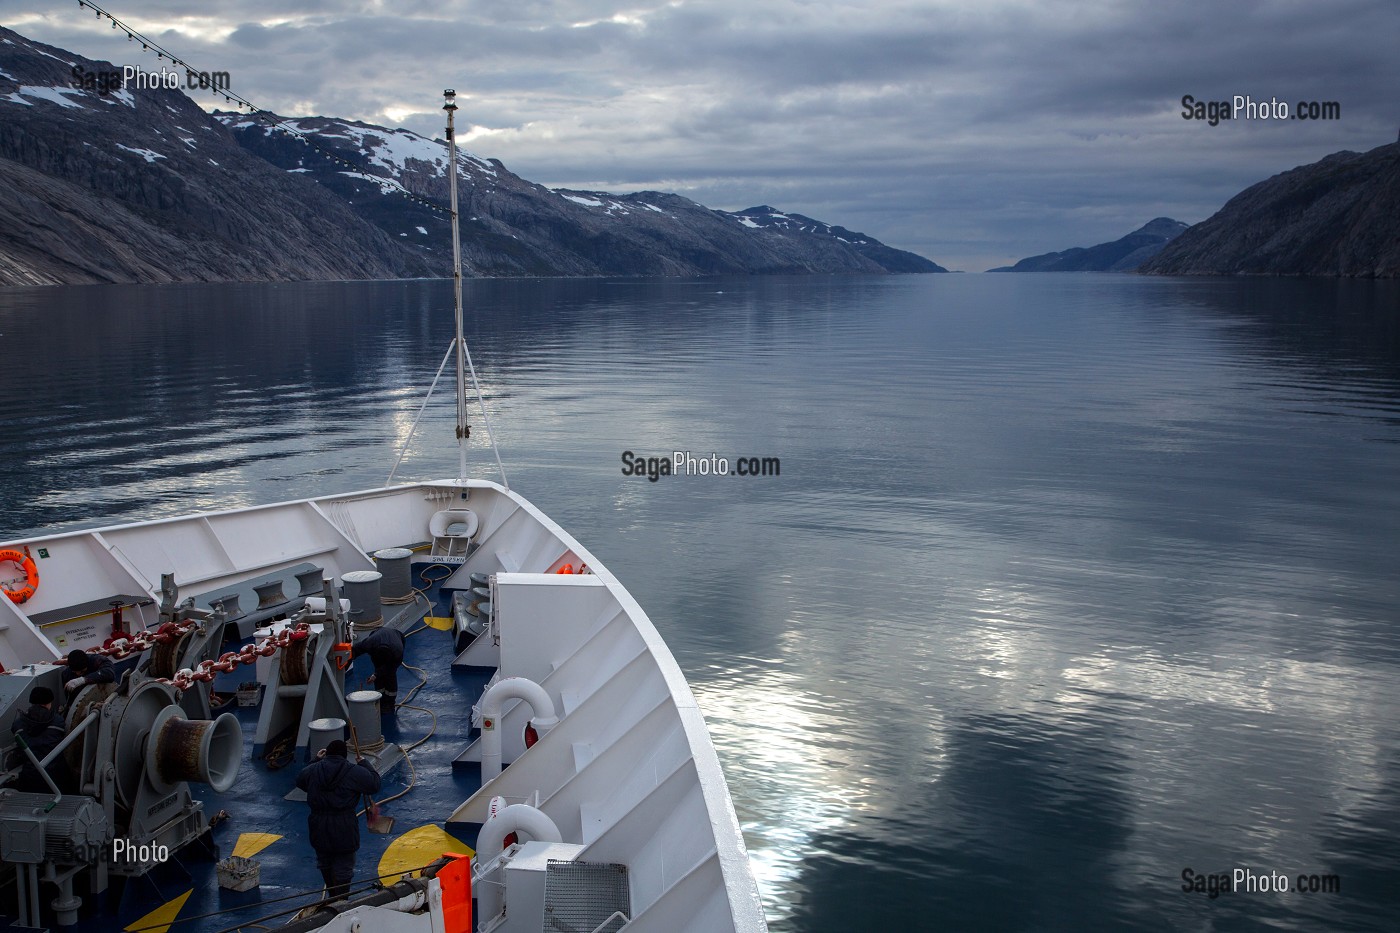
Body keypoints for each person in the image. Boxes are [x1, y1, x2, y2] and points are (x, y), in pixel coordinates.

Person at [294, 739, 381, 901]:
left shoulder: (314, 770)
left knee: (324, 861)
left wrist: (316, 760)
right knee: (344, 866)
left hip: (318, 824)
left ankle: (332, 897)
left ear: (327, 754)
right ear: (344, 755)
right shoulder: (353, 771)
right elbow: (374, 784)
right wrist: (364, 764)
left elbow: (300, 780)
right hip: (344, 825)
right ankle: (341, 901)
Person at [8, 686, 67, 793]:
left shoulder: (18, 724)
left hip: (29, 776)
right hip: (55, 776)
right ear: (49, 703)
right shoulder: (58, 721)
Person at [350, 627, 405, 712]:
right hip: (379, 636)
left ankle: (389, 704)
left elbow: (389, 667)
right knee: (380, 671)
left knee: (390, 674)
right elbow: (355, 650)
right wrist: (347, 660)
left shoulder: (398, 653)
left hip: (395, 642)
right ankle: (379, 697)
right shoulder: (369, 643)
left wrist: (376, 674)